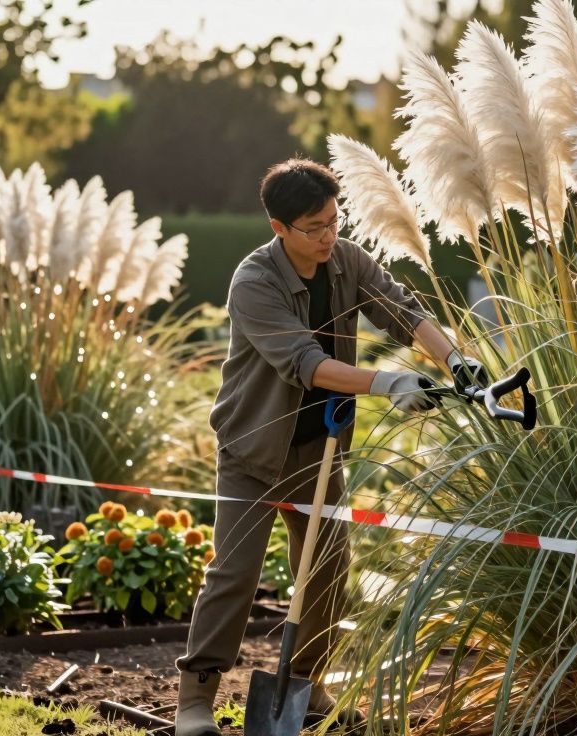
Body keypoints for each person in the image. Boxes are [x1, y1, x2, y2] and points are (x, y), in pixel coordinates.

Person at [174, 158, 488, 735]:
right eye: (313, 227)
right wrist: (385, 381)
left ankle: (304, 681)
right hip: (253, 448)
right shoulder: (254, 282)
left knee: (327, 571)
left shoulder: (344, 259)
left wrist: (453, 358)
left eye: (333, 221)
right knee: (235, 574)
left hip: (318, 448)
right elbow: (305, 363)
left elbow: (403, 309)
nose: (327, 237)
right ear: (279, 227)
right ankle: (196, 695)